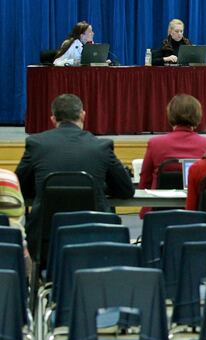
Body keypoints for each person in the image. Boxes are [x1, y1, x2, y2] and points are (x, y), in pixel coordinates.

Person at [15, 94, 135, 261]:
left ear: (53, 119)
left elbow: (19, 187)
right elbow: (126, 191)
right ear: (83, 115)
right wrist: (98, 187)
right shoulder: (101, 146)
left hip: (46, 241)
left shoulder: (36, 144)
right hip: (95, 237)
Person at [138, 94, 206, 216]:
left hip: (158, 214)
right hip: (197, 213)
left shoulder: (155, 143)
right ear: (198, 115)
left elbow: (144, 182)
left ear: (170, 114)